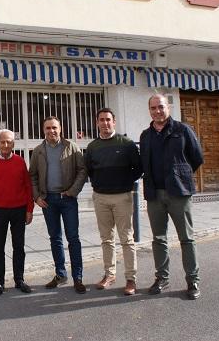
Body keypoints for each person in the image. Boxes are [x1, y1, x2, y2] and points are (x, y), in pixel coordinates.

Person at [140, 94, 204, 300]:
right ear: (149, 111)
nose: (157, 111)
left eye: (160, 107)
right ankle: (162, 278)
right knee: (158, 239)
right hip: (154, 194)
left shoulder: (182, 130)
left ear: (168, 107)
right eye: (153, 108)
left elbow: (197, 157)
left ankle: (192, 280)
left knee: (187, 238)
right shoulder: (145, 135)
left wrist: (180, 175)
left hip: (179, 193)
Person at [85, 108, 142, 296]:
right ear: (97, 123)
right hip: (101, 197)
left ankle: (131, 278)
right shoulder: (92, 147)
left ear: (114, 122)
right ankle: (109, 275)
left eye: (108, 119)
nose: (105, 123)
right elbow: (89, 170)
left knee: (127, 239)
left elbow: (138, 168)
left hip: (122, 197)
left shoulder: (126, 143)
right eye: (101, 120)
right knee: (106, 239)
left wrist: (124, 182)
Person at [29, 116, 88, 294]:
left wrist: (72, 191)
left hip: (68, 199)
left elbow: (82, 170)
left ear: (60, 129)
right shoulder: (38, 150)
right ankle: (60, 274)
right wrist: (36, 197)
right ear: (43, 130)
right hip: (48, 201)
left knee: (73, 238)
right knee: (55, 238)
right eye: (48, 128)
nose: (51, 131)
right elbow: (32, 176)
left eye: (54, 128)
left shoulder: (71, 147)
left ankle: (78, 277)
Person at [0, 129, 34, 296]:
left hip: (19, 210)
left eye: (9, 142)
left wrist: (29, 209)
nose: (6, 145)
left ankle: (19, 279)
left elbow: (28, 187)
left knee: (18, 246)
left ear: (13, 144)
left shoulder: (20, 162)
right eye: (2, 142)